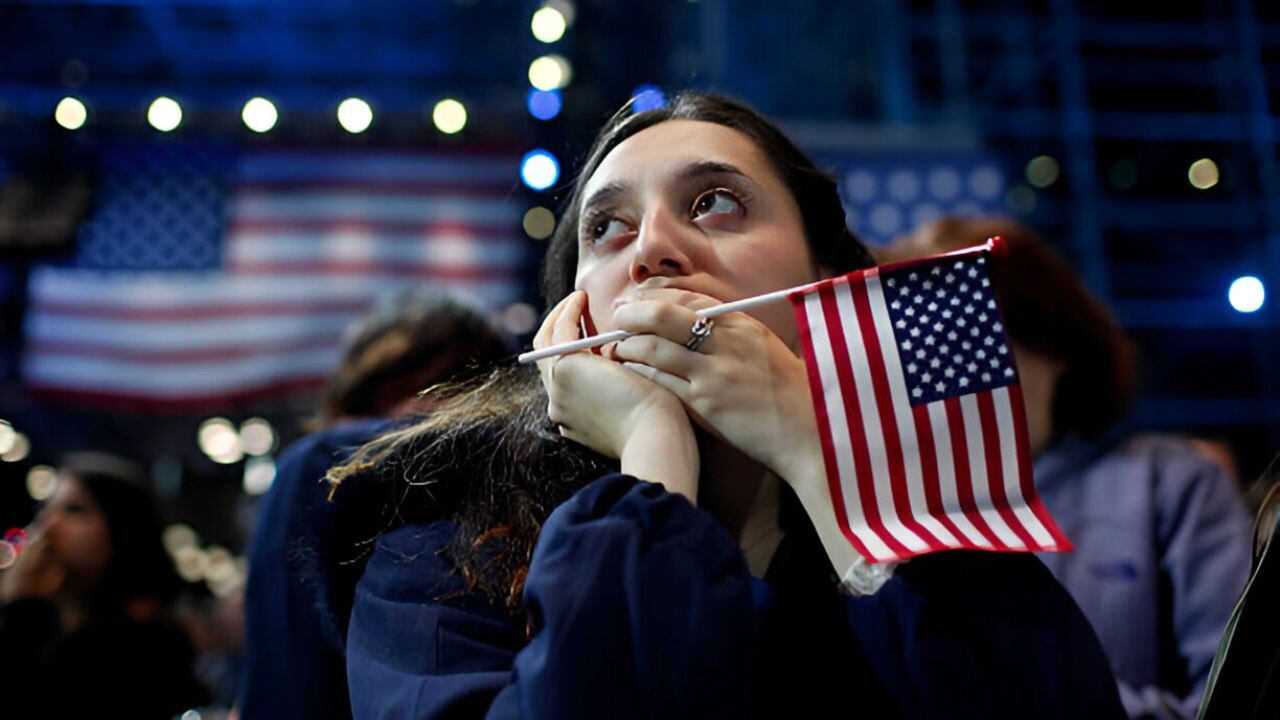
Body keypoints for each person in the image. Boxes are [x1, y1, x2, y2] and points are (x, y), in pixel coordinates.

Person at [318, 92, 1126, 718]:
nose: (653, 251)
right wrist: (650, 458)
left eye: (715, 203)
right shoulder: (436, 563)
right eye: (607, 227)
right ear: (574, 318)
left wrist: (811, 448)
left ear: (824, 280)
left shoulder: (927, 527)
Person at [880, 217, 1253, 719]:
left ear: (1050, 342)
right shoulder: (897, 517)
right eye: (918, 352)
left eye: (969, 337)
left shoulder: (1170, 482)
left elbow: (1237, 698)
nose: (948, 377)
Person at [238, 287, 512, 720]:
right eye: (394, 393)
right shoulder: (325, 465)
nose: (418, 410)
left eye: (453, 381)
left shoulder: (316, 463)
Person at [0, 451, 209, 718]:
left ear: (123, 531)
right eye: (47, 507)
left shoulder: (137, 644)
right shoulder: (56, 622)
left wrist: (20, 607)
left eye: (74, 510)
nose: (47, 524)